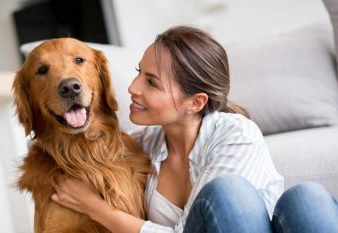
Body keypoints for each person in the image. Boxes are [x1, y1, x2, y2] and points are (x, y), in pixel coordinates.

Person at [51, 26, 338, 233]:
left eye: (151, 82)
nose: (132, 88)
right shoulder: (142, 147)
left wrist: (96, 208)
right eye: (139, 73)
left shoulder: (237, 135)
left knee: (304, 199)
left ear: (195, 102)